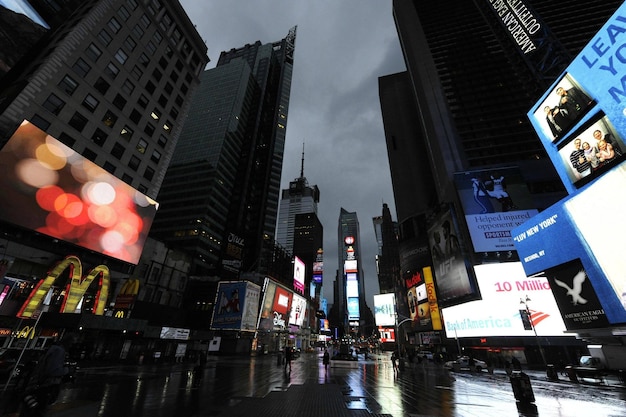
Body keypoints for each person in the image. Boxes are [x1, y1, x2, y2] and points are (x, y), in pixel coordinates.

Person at [21, 333, 77, 417]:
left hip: (39, 384)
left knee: (31, 409)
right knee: (39, 410)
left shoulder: (52, 349)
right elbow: (53, 370)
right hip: (46, 386)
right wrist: (67, 370)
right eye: (72, 344)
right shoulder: (59, 351)